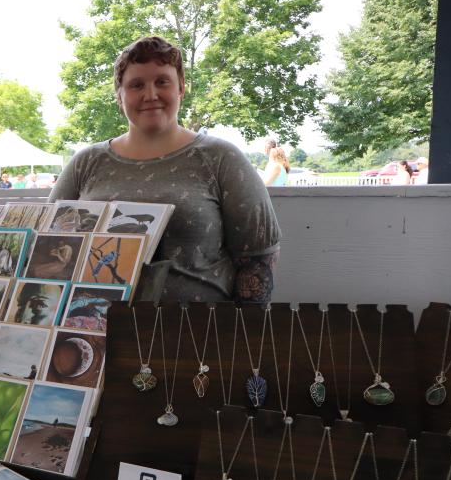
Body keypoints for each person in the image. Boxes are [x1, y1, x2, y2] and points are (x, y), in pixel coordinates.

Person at [48, 36, 281, 303]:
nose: (150, 95)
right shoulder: (85, 163)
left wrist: (239, 336)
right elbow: (48, 245)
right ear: (119, 96)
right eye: (136, 85)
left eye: (162, 82)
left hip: (198, 336)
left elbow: (258, 260)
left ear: (180, 88)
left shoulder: (221, 158)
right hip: (96, 336)